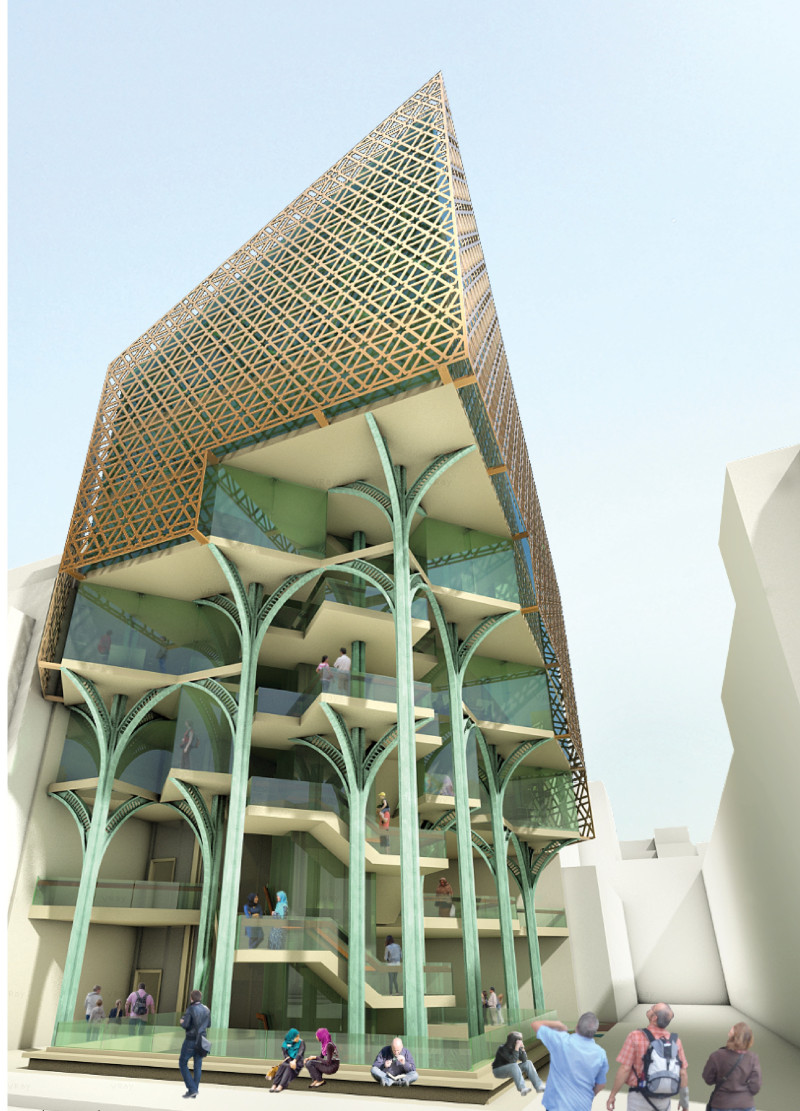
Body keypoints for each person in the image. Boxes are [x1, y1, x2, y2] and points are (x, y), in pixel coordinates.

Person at [607, 1003, 689, 1111]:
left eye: (652, 1008)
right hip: (664, 1100)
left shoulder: (635, 1036)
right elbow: (682, 1073)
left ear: (654, 1018)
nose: (650, 1009)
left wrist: (613, 1095)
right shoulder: (675, 1041)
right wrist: (684, 1103)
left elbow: (625, 1069)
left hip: (639, 1098)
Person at [532, 1014, 608, 1111]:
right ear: (594, 1032)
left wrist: (557, 1024)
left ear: (577, 1027)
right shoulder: (600, 1054)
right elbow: (600, 1085)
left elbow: (535, 1024)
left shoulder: (561, 1040)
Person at [702, 1021, 761, 1110]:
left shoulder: (717, 1056)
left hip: (721, 1104)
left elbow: (708, 1079)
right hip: (745, 1105)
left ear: (731, 1037)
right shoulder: (753, 1058)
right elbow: (755, 1086)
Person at [178, 988, 211, 1100]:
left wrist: (182, 1022)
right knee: (198, 1065)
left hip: (191, 1040)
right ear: (200, 998)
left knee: (183, 1063)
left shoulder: (190, 1009)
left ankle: (192, 1089)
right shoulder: (206, 1009)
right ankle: (194, 1090)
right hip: (202, 1040)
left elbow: (186, 1024)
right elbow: (208, 1024)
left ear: (191, 998)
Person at [491, 1031, 545, 1096]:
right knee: (514, 1065)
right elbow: (512, 1061)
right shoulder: (502, 1048)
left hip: (511, 1069)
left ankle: (538, 1086)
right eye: (519, 1039)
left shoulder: (516, 1047)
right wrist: (517, 1048)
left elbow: (524, 1060)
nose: (521, 1041)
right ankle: (522, 1088)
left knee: (528, 1063)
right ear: (513, 1040)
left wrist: (522, 1048)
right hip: (498, 1071)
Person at [270, 1028, 305, 1092]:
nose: (298, 1038)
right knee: (282, 1065)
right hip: (288, 1060)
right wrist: (290, 1061)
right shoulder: (285, 1043)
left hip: (297, 1062)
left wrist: (294, 1061)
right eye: (296, 1037)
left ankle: (281, 1085)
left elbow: (300, 1053)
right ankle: (274, 1084)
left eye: (298, 1036)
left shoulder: (301, 1042)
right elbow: (285, 1054)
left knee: (289, 1067)